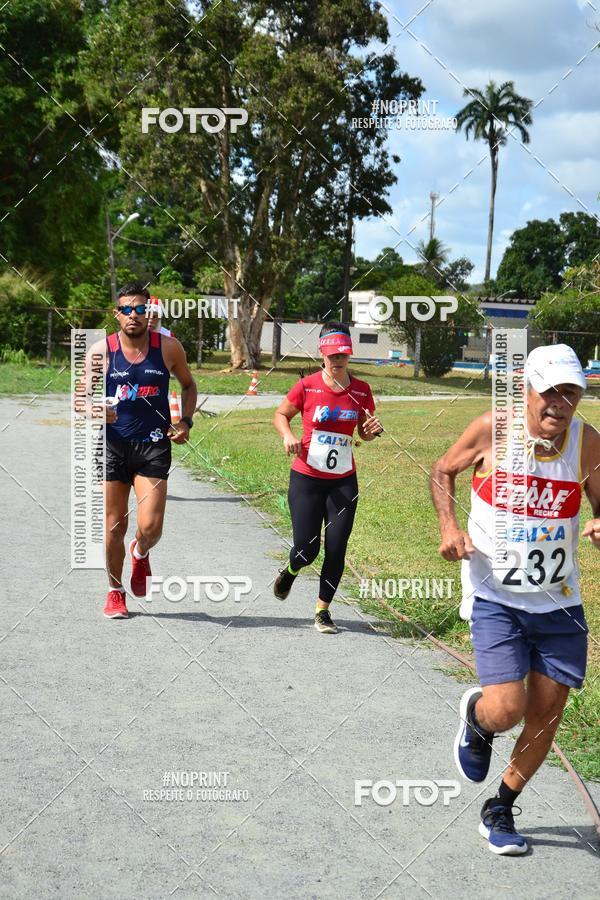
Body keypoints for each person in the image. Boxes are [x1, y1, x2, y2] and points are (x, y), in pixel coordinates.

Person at [430, 344, 600, 855]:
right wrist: (449, 527)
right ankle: (479, 718)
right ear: (526, 390)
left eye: (571, 393)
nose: (560, 404)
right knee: (507, 710)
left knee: (546, 715)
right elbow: (442, 470)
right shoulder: (493, 430)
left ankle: (501, 806)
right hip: (496, 596)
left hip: (560, 602)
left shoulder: (587, 442)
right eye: (551, 392)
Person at [86, 282, 197, 618]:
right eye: (126, 309)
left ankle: (141, 551)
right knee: (113, 526)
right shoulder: (102, 351)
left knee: (150, 528)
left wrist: (185, 421)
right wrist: (95, 409)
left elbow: (188, 385)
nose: (133, 315)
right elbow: (81, 397)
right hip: (114, 445)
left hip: (153, 445)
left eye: (139, 309)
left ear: (148, 312)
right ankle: (115, 591)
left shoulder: (168, 348)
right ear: (116, 314)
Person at [272, 322, 383, 633]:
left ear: (349, 354)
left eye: (342, 355)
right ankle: (291, 570)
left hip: (343, 481)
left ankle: (323, 610)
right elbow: (281, 415)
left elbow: (364, 432)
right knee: (306, 550)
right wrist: (287, 435)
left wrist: (371, 431)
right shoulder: (306, 386)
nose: (337, 360)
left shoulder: (361, 390)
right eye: (332, 355)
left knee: (336, 547)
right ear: (322, 353)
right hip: (307, 478)